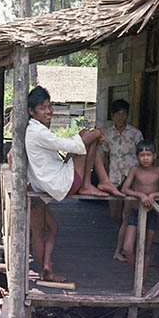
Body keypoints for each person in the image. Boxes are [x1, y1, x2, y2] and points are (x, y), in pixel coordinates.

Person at [25, 85, 125, 282]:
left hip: (40, 185)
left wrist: (85, 136)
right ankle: (94, 183)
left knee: (49, 229)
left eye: (49, 106)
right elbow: (71, 145)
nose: (49, 111)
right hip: (59, 183)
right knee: (88, 138)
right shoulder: (38, 132)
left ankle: (45, 267)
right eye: (43, 108)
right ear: (31, 111)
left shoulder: (30, 129)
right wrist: (96, 133)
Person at [121, 140, 159, 284]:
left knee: (146, 249)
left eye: (148, 155)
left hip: (151, 213)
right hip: (136, 212)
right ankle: (136, 276)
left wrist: (153, 195)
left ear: (154, 156)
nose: (145, 158)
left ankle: (141, 282)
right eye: (142, 155)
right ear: (137, 157)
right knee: (128, 248)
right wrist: (141, 195)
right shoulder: (135, 170)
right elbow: (125, 189)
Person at [101, 99, 143, 262]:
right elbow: (105, 156)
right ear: (112, 115)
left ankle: (124, 246)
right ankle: (125, 237)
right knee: (115, 214)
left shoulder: (135, 133)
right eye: (118, 114)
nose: (121, 117)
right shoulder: (107, 134)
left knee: (127, 214)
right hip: (113, 178)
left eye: (124, 114)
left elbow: (142, 155)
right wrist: (104, 178)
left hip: (131, 178)